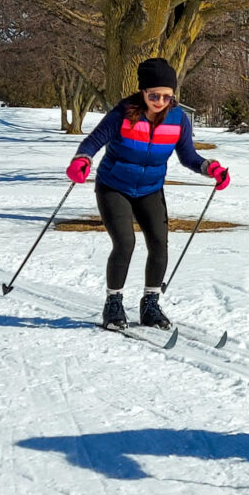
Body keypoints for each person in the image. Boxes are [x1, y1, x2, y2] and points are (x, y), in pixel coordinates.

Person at [67, 57, 230, 331]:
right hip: (114, 186)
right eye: (154, 95)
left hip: (150, 189)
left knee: (159, 244)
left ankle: (150, 305)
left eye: (167, 96)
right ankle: (113, 304)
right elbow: (93, 141)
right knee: (125, 242)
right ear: (142, 91)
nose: (160, 102)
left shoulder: (178, 120)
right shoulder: (123, 113)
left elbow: (188, 156)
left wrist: (210, 168)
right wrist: (82, 160)